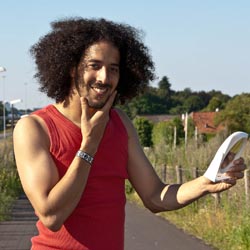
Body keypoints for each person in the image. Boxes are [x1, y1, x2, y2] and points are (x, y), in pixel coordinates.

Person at [13, 17, 246, 250]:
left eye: (113, 69)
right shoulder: (34, 128)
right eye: (94, 65)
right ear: (72, 68)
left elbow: (155, 196)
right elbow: (51, 217)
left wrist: (206, 182)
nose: (105, 78)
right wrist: (88, 146)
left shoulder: (120, 123)